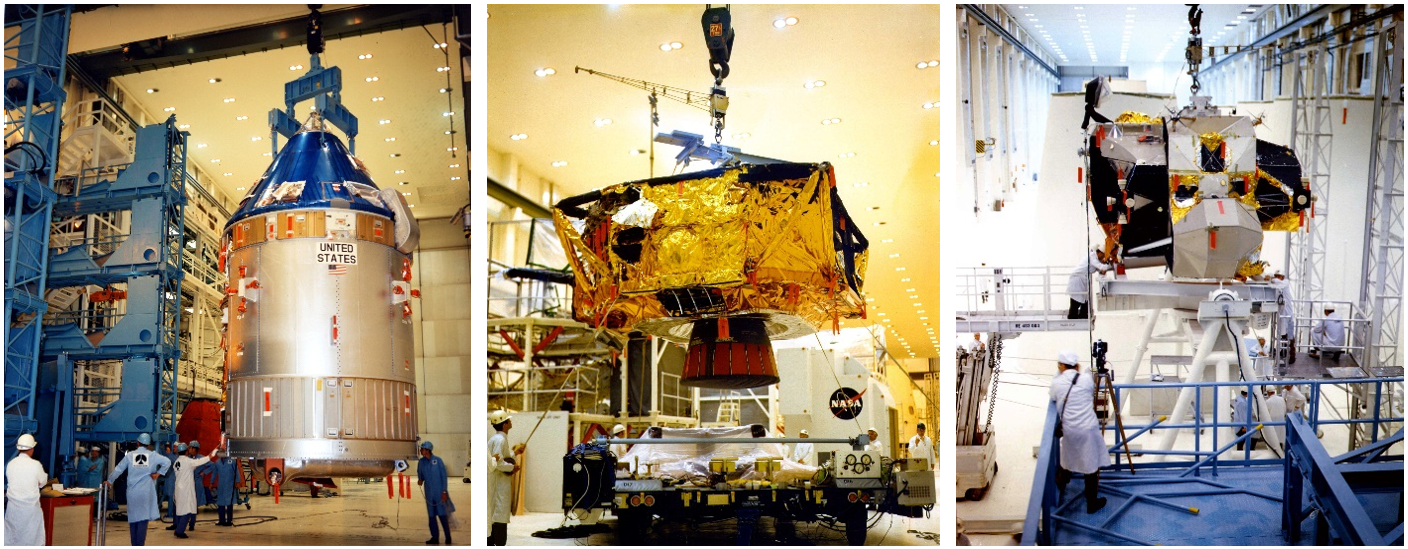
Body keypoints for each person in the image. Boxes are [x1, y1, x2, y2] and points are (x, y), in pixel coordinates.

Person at [1049, 351, 1108, 513]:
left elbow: (1053, 396)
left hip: (1070, 429)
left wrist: (1058, 374)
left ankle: (1059, 488)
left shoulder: (1057, 383)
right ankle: (1092, 502)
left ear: (1061, 366)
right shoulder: (1086, 379)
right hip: (1088, 428)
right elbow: (1090, 391)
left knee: (1067, 457)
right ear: (1077, 366)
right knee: (1091, 463)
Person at [105, 433, 171, 546]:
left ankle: (134, 544)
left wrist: (109, 481)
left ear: (138, 443)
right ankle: (140, 545)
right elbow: (167, 462)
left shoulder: (130, 455)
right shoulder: (153, 455)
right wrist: (158, 474)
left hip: (132, 492)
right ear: (148, 444)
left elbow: (118, 469)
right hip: (146, 492)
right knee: (143, 519)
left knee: (133, 518)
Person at [5, 433, 48, 546]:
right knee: (32, 538)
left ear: (18, 448)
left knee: (11, 536)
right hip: (30, 510)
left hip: (13, 509)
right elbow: (43, 481)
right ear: (31, 448)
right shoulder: (35, 465)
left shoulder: (11, 464)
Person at [487, 410, 521, 546]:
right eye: (509, 420)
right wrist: (513, 468)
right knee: (499, 512)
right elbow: (498, 463)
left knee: (496, 512)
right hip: (498, 484)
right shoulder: (500, 440)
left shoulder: (497, 439)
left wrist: (515, 452)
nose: (511, 421)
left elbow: (502, 456)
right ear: (505, 424)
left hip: (498, 483)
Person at [171, 441, 215, 538]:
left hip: (178, 488)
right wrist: (215, 450)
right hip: (186, 489)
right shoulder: (188, 461)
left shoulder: (177, 462)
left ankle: (178, 527)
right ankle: (179, 531)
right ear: (186, 451)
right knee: (188, 510)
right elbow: (206, 459)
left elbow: (188, 468)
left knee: (179, 510)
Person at [418, 441, 454, 545]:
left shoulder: (438, 461)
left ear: (427, 450)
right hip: (429, 494)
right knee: (431, 516)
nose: (421, 451)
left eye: (422, 449)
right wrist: (420, 480)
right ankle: (435, 537)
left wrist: (444, 491)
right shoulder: (421, 462)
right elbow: (421, 476)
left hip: (439, 493)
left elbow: (444, 477)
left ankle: (448, 536)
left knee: (442, 515)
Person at [1066, 248, 1112, 319]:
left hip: (1082, 280)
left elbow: (1099, 269)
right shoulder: (1092, 257)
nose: (1103, 258)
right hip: (1077, 279)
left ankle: (1083, 315)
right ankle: (1072, 317)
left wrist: (1102, 269)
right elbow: (1101, 267)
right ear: (1099, 253)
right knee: (1076, 300)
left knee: (1085, 299)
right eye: (1103, 256)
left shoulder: (1095, 259)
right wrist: (1111, 264)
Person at [205, 454, 243, 526]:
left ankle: (229, 521)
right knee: (221, 503)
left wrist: (238, 481)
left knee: (229, 503)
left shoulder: (232, 461)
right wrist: (211, 482)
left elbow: (237, 472)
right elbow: (214, 473)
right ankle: (221, 520)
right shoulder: (217, 462)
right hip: (221, 486)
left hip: (229, 485)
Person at [1270, 272, 1297, 362]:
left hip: (1287, 313)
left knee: (1288, 334)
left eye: (1278, 276)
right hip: (1284, 313)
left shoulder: (1285, 283)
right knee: (1283, 334)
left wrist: (1270, 279)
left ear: (1282, 277)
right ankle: (1284, 351)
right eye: (1276, 276)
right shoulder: (1279, 285)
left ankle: (1291, 356)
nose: (1277, 277)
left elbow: (1277, 282)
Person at [159, 442, 177, 520]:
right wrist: (163, 447)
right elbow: (163, 455)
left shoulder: (177, 457)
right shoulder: (171, 455)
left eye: (176, 447)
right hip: (169, 479)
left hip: (173, 479)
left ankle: (171, 513)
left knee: (171, 497)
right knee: (168, 495)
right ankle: (169, 513)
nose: (174, 448)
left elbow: (173, 460)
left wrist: (168, 453)